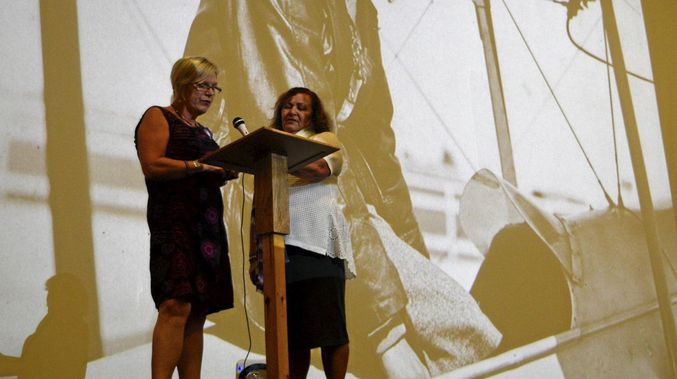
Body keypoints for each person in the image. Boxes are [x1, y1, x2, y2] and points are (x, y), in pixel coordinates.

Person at [134, 56, 237, 379]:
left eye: (214, 87)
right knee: (175, 304)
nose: (209, 93)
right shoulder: (158, 116)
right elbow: (152, 164)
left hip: (207, 230)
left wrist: (227, 168)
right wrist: (199, 166)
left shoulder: (203, 130)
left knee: (197, 310)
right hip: (175, 225)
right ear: (181, 84)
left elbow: (211, 169)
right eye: (203, 85)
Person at [250, 87, 355, 379]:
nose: (292, 112)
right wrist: (252, 256)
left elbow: (319, 170)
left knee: (330, 329)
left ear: (313, 116)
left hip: (319, 244)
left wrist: (273, 153)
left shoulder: (325, 140)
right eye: (286, 106)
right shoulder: (269, 152)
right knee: (293, 334)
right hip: (282, 247)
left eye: (301, 107)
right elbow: (257, 207)